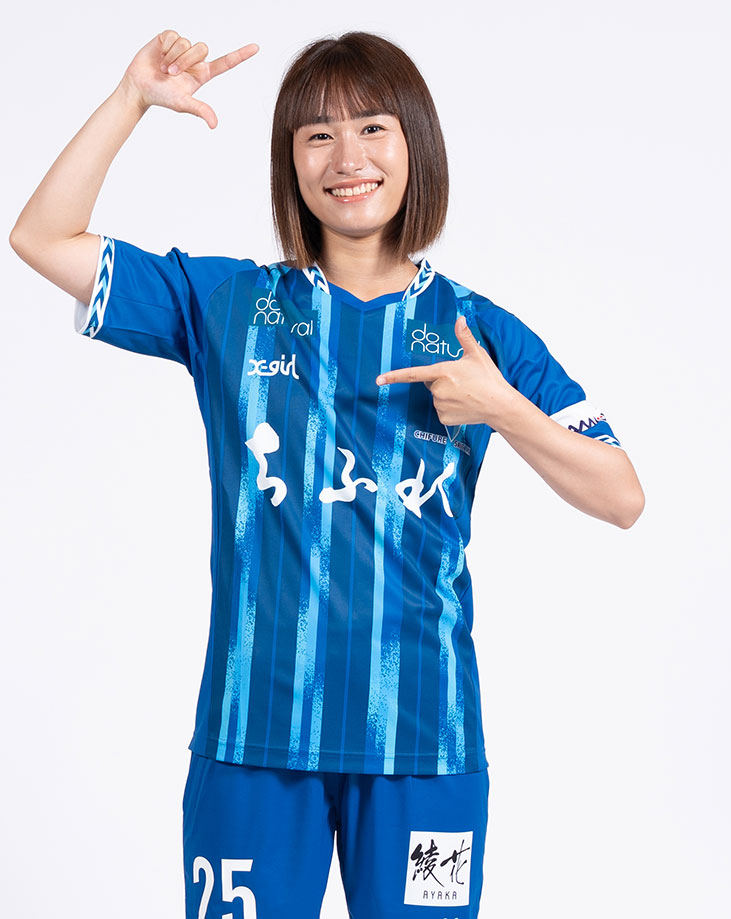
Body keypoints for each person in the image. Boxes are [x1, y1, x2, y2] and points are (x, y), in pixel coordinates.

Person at [10, 28, 645, 919]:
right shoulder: (228, 305)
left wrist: (504, 407)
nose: (348, 158)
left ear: (416, 146)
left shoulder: (479, 331)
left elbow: (622, 495)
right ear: (291, 162)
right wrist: (130, 101)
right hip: (253, 736)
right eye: (318, 135)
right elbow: (41, 237)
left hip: (425, 743)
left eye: (373, 128)